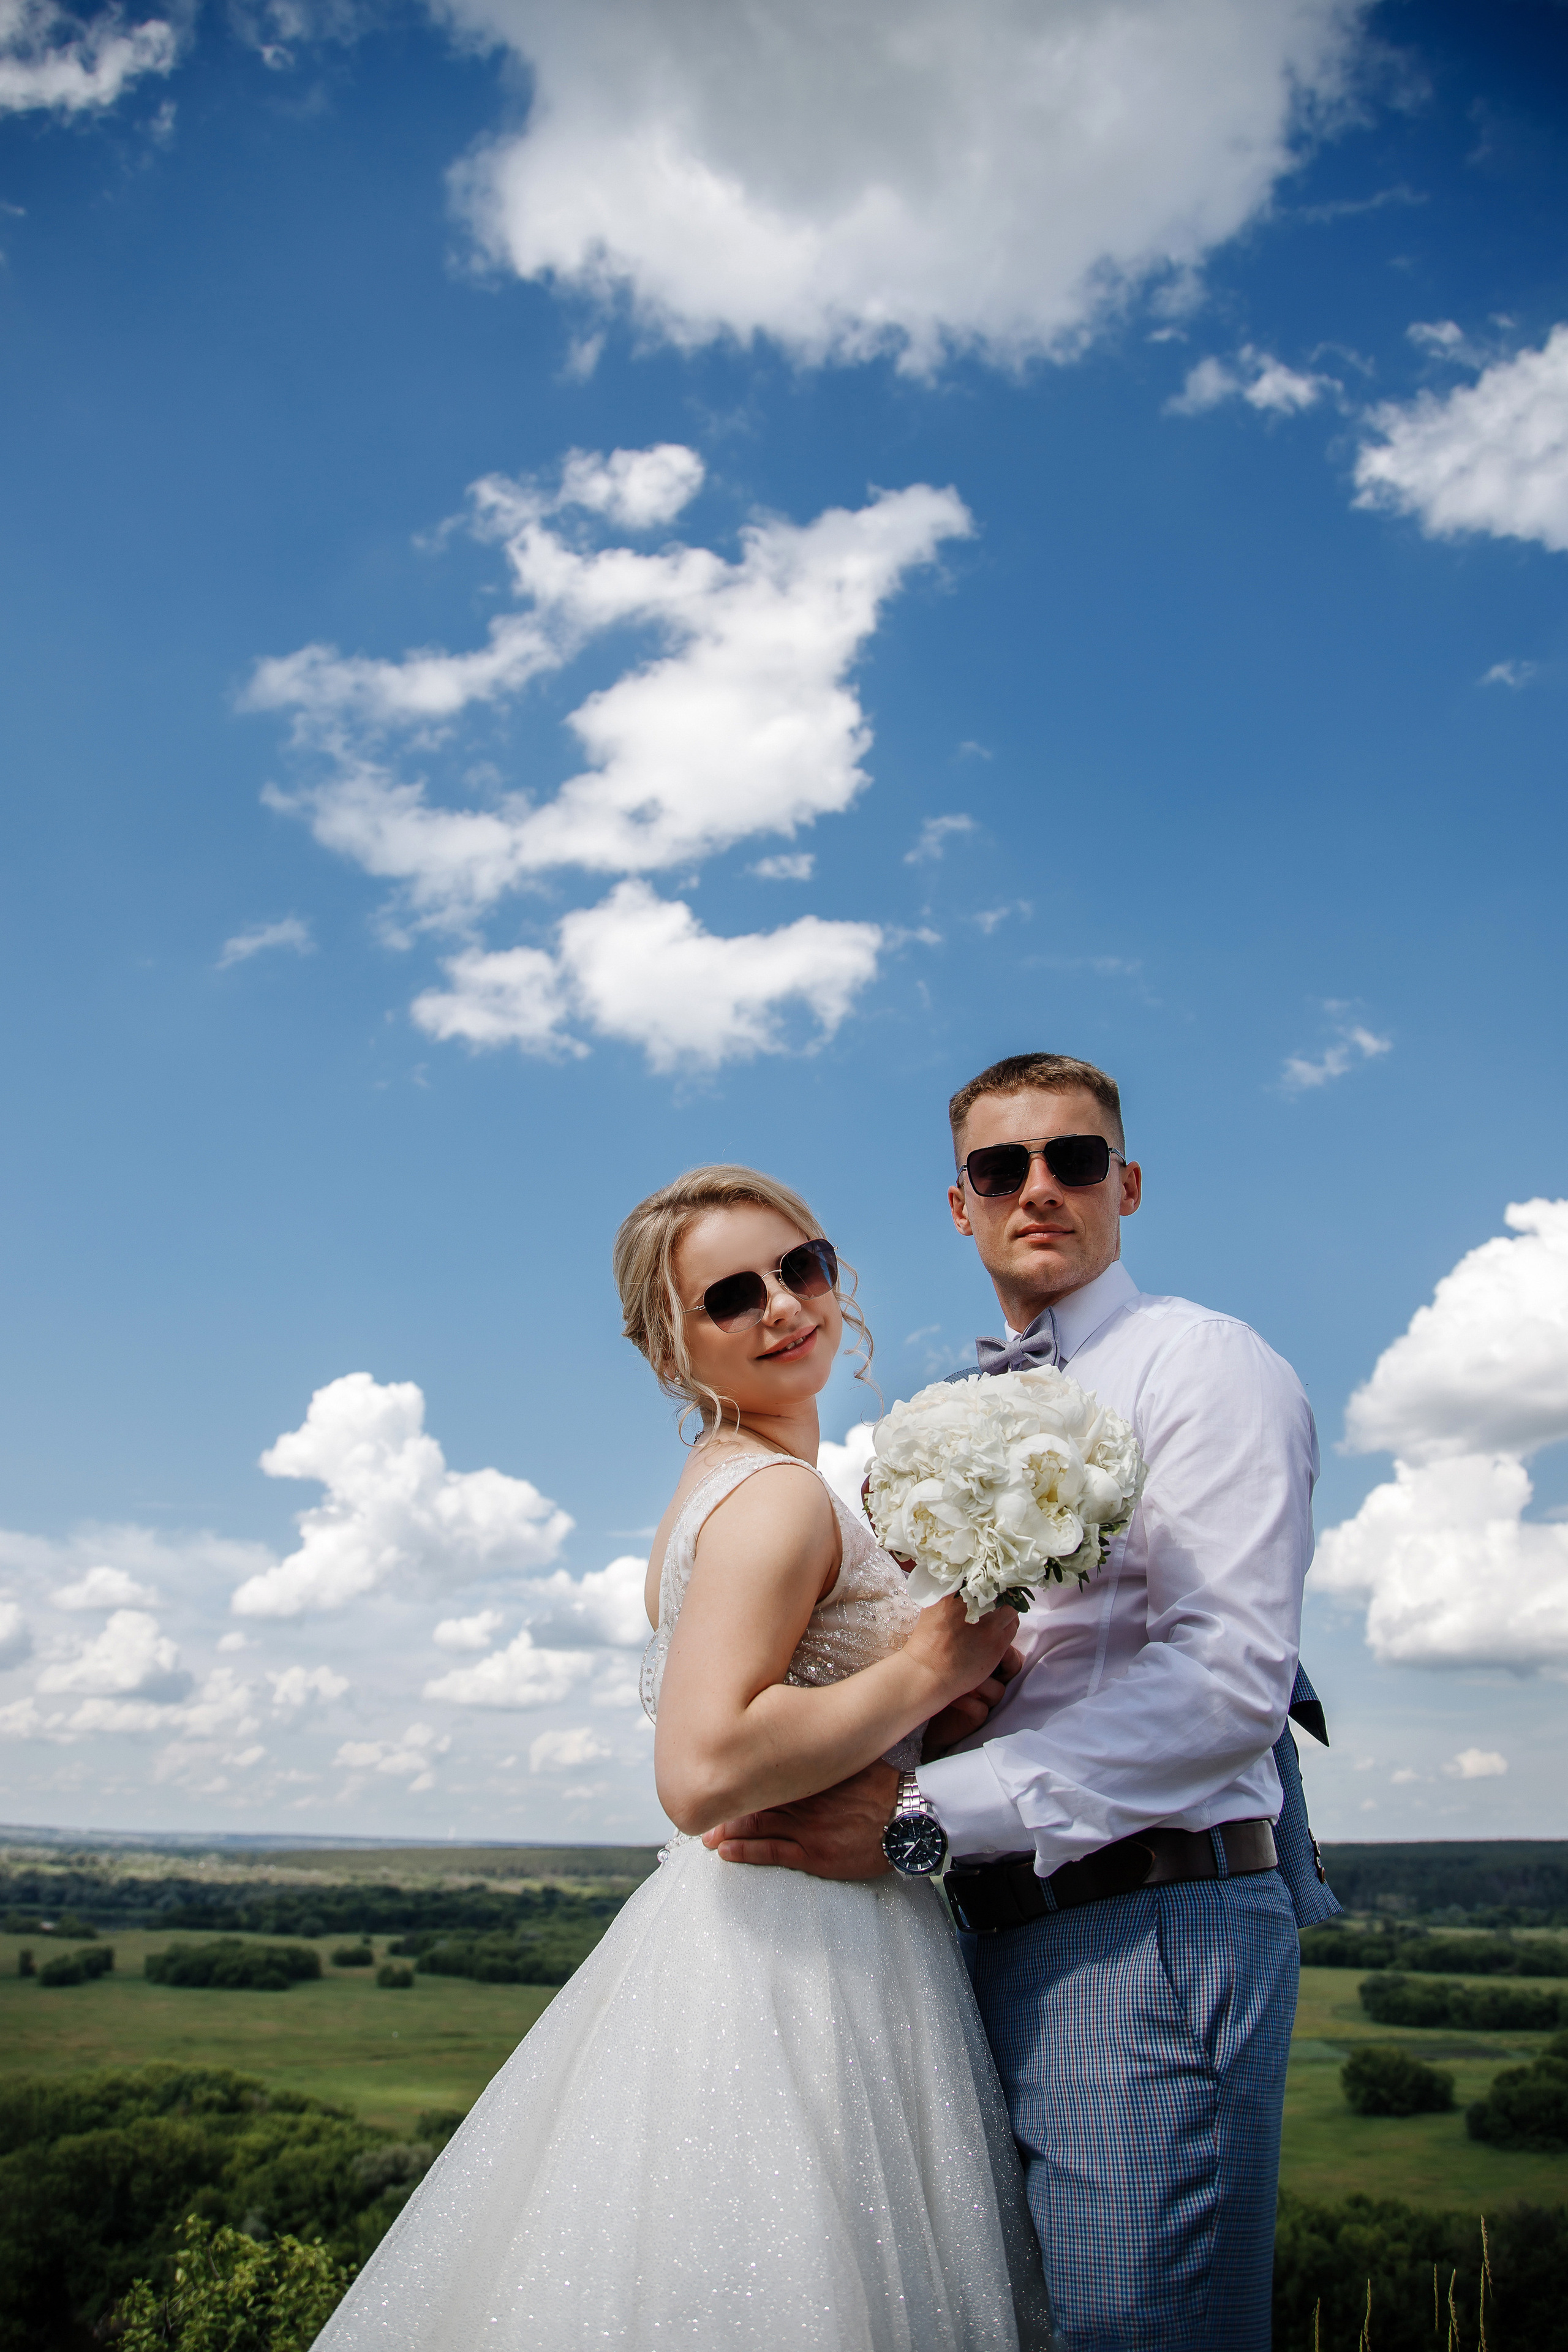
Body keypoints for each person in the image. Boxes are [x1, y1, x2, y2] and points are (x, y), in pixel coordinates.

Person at [314, 1163, 1056, 2352]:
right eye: (731, 1296)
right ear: (670, 1351)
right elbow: (703, 1767)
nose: (783, 1305)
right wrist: (929, 1667)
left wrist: (936, 1715)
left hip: (759, 1924)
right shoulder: (776, 1500)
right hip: (806, 1954)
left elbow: (799, 1708)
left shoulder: (718, 1486)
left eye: (800, 1267)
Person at [705, 1055, 1340, 2351]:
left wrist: (914, 1816)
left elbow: (1227, 1683)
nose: (1038, 1188)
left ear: (1127, 1185)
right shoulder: (970, 1409)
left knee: (1134, 2329)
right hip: (991, 1936)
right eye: (1001, 1168)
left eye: (1074, 1159)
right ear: (961, 1205)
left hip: (1147, 1926)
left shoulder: (1202, 1364)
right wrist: (944, 1707)